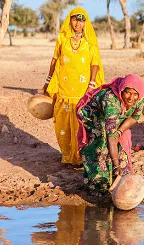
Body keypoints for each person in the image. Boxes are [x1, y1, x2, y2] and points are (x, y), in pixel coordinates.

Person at [42, 7, 104, 165]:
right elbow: (55, 60)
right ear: (70, 20)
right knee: (62, 124)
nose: (78, 23)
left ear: (85, 23)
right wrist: (48, 81)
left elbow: (94, 63)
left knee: (81, 124)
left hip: (82, 89)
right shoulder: (62, 39)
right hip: (64, 88)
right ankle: (67, 155)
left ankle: (80, 157)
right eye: (75, 19)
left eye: (82, 20)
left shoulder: (89, 41)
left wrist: (91, 84)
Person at [77, 74, 144, 194]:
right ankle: (97, 184)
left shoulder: (140, 98)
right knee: (99, 147)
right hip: (93, 117)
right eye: (128, 93)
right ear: (122, 91)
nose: (131, 98)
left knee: (122, 145)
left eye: (135, 94)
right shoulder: (111, 101)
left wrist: (120, 131)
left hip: (115, 118)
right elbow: (111, 138)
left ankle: (119, 177)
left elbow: (135, 117)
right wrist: (115, 164)